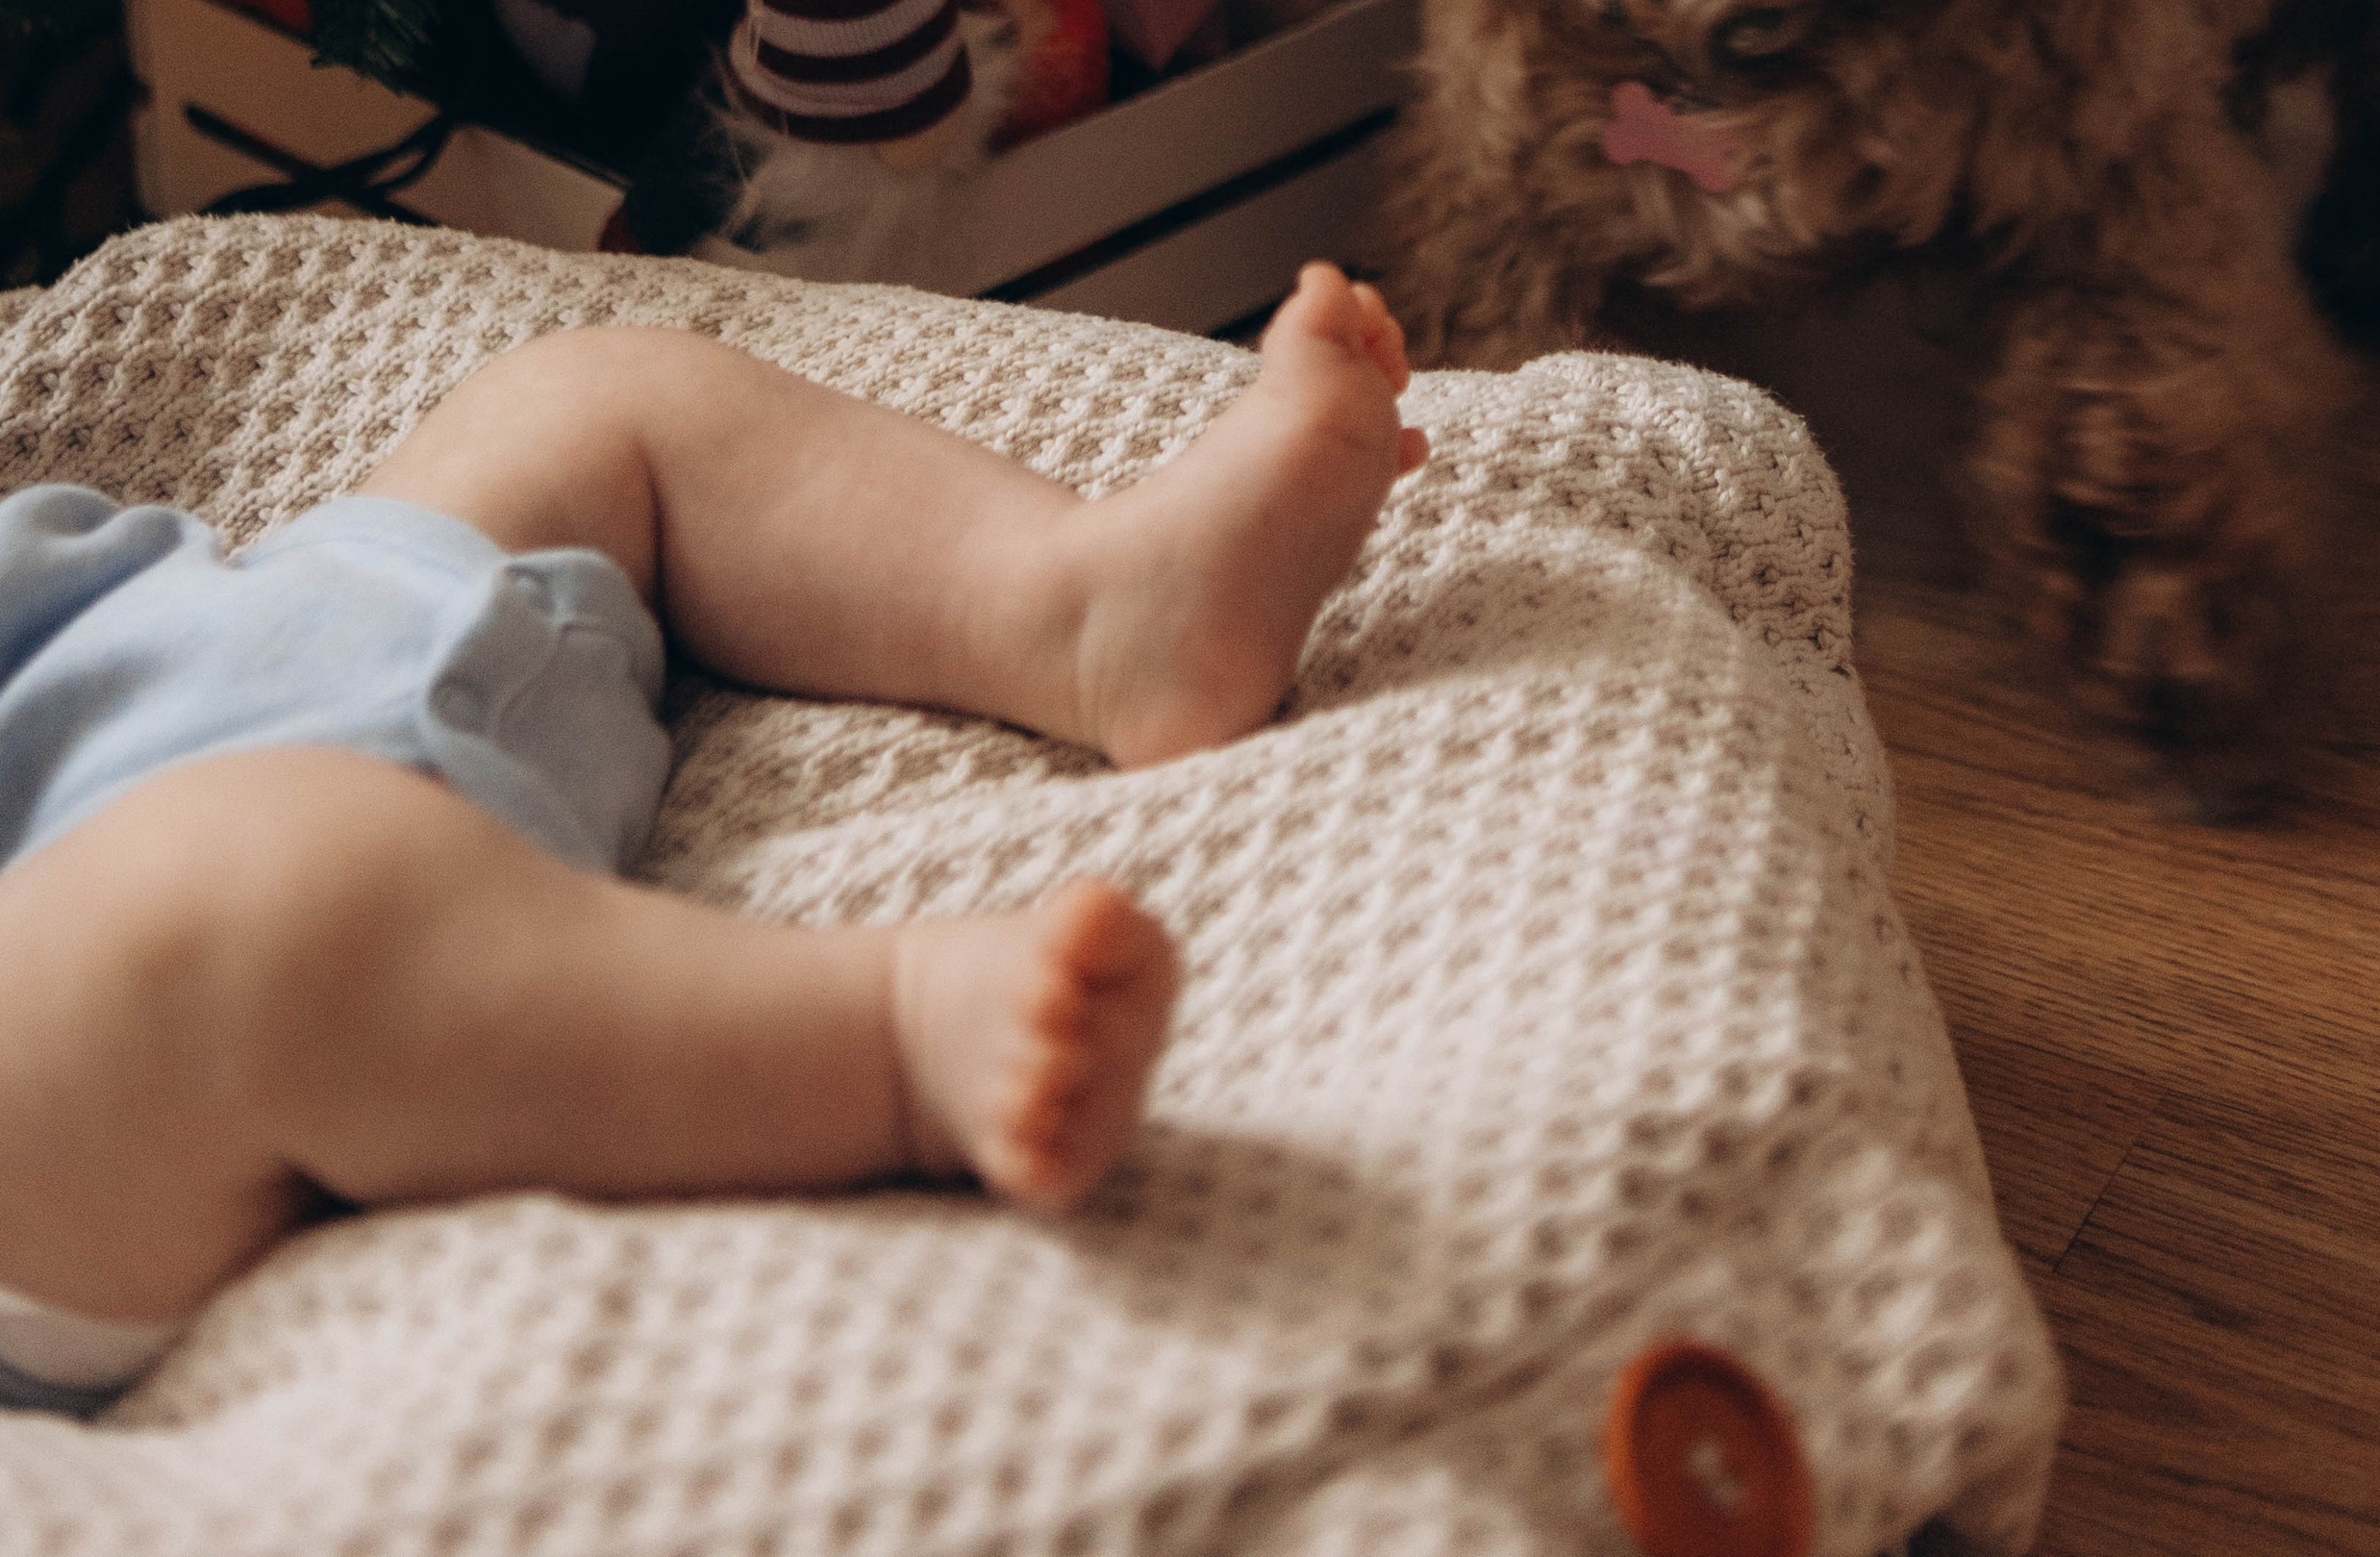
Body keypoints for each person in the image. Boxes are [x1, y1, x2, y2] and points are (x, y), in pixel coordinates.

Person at [0, 260, 1426, 1414]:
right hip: (71, 1059)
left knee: (589, 399)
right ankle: (886, 1044)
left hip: (239, 639)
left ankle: (1089, 608)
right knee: (235, 917)